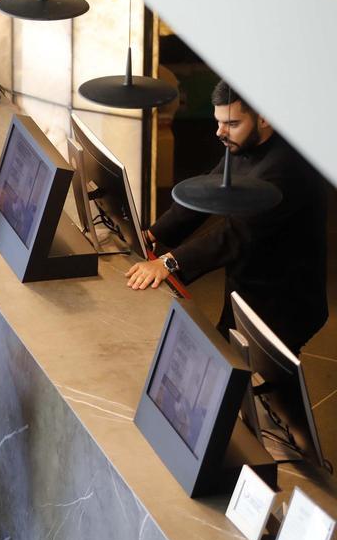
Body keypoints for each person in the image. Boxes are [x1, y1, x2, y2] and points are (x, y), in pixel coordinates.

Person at [125, 80, 328, 353]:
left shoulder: (288, 165)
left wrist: (168, 262)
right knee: (234, 370)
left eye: (231, 124)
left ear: (265, 117)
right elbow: (209, 189)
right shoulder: (243, 142)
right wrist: (153, 234)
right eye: (218, 122)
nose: (219, 132)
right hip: (246, 283)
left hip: (283, 301)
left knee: (258, 379)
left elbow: (236, 234)